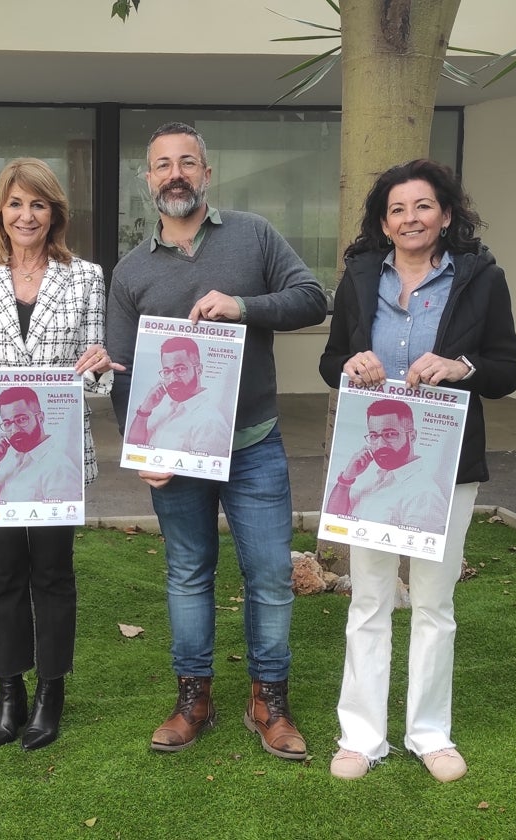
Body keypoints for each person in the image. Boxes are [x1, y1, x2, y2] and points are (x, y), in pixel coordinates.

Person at [106, 122, 327, 760]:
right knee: (187, 573)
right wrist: (140, 448)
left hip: (252, 443)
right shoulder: (131, 270)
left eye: (187, 162)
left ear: (208, 172)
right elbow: (122, 370)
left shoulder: (254, 236)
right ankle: (193, 698)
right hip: (174, 456)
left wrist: (244, 306)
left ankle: (269, 702)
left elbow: (314, 299)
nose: (174, 174)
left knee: (268, 575)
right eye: (161, 165)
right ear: (147, 180)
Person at [319, 159, 516, 783]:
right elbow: (331, 362)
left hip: (446, 461)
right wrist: (351, 365)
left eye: (423, 206)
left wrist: (463, 366)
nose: (411, 219)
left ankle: (430, 733)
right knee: (370, 599)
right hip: (370, 461)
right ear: (383, 221)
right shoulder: (358, 277)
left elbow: (508, 368)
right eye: (398, 210)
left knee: (434, 603)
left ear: (447, 213)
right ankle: (361, 735)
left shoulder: (482, 279)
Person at [0, 158, 120, 751]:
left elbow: (100, 380)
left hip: (58, 456)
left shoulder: (87, 277)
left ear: (55, 213)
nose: (27, 215)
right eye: (16, 204)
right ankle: (8, 690)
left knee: (53, 574)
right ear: (0, 211)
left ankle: (51, 691)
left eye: (38, 204)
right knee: (3, 576)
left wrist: (96, 369)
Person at [324, 399, 450, 534]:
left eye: (390, 434)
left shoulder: (423, 494)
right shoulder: (370, 478)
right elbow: (333, 525)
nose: (380, 445)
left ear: (412, 436)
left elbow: (419, 550)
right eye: (374, 436)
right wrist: (346, 479)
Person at [125, 335, 230, 456]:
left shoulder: (209, 421)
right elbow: (133, 451)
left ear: (199, 370)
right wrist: (144, 411)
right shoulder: (165, 408)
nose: (173, 378)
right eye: (167, 371)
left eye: (180, 369)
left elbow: (204, 471)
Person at [0, 386, 81, 503]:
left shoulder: (59, 468)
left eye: (21, 419)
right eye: (7, 423)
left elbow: (61, 518)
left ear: (40, 418)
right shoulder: (10, 461)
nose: (14, 430)